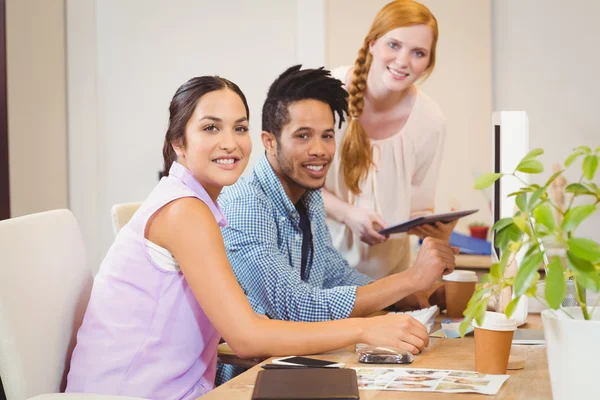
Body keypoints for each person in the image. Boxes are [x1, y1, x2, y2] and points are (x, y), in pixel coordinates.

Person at [65, 75, 437, 400]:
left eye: (238, 128)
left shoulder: (200, 205)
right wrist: (368, 328)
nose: (230, 143)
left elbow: (324, 282)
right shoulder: (185, 212)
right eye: (211, 128)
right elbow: (246, 336)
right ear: (179, 142)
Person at [216, 65, 458, 384]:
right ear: (270, 142)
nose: (320, 150)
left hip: (303, 370)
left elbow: (334, 276)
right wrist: (410, 279)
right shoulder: (246, 206)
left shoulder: (309, 197)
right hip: (249, 382)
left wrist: (406, 295)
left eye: (327, 136)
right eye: (303, 136)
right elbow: (296, 306)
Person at [323, 0, 456, 280]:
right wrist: (348, 214)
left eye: (418, 53)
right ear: (372, 43)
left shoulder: (431, 121)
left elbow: (418, 209)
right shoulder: (324, 93)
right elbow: (291, 182)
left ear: (428, 63)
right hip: (319, 276)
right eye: (393, 45)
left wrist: (437, 231)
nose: (403, 61)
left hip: (390, 282)